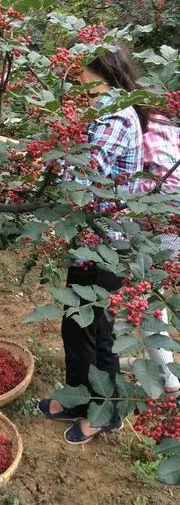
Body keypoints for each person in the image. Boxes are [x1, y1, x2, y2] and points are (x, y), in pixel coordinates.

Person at [39, 42, 145, 444]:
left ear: (93, 66)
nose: (68, 70)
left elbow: (80, 182)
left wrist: (45, 157)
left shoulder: (114, 115)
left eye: (75, 63)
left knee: (95, 328)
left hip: (106, 241)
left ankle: (105, 413)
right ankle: (80, 399)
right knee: (77, 324)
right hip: (91, 237)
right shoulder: (98, 110)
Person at [120, 111, 180, 394]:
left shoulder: (131, 122)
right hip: (171, 222)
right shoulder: (166, 118)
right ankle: (151, 363)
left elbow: (140, 184)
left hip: (164, 224)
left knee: (145, 301)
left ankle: (168, 380)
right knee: (150, 295)